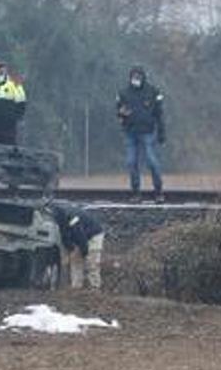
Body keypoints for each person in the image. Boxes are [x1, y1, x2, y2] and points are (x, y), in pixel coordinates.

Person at [116, 65, 166, 203]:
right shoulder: (123, 93)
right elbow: (119, 111)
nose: (136, 79)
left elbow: (159, 113)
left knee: (151, 162)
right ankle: (136, 193)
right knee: (131, 162)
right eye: (133, 77)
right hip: (130, 132)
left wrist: (161, 131)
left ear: (143, 77)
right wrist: (122, 115)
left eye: (138, 77)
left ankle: (158, 192)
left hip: (147, 132)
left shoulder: (153, 92)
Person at [50, 203, 105, 290]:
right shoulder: (59, 219)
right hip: (79, 236)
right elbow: (64, 236)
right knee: (75, 262)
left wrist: (81, 253)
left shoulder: (74, 220)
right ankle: (76, 288)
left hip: (94, 234)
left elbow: (82, 240)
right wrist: (70, 250)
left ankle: (95, 288)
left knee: (91, 263)